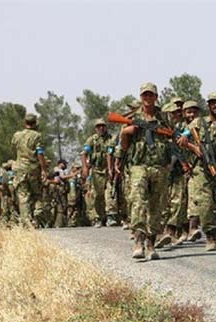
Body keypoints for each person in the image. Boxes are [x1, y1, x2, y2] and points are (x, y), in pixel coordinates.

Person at [120, 82, 172, 261]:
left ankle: (151, 243)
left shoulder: (164, 117)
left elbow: (172, 138)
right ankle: (138, 241)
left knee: (156, 205)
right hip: (139, 166)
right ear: (141, 97)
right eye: (145, 95)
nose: (148, 98)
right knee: (138, 202)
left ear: (156, 97)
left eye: (151, 95)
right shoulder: (133, 117)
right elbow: (124, 146)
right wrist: (127, 132)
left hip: (159, 166)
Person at [185, 98, 216, 251]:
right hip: (202, 168)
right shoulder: (197, 124)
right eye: (213, 103)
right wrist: (192, 147)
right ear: (208, 106)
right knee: (204, 203)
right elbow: (181, 136)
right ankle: (209, 235)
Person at [157, 102, 191, 247]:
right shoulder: (156, 130)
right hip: (160, 171)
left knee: (177, 202)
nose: (176, 115)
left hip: (177, 171)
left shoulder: (179, 131)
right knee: (161, 203)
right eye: (172, 113)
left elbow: (180, 150)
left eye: (178, 112)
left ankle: (170, 232)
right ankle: (158, 233)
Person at [11, 113, 47, 228]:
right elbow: (40, 153)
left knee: (23, 196)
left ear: (25, 122)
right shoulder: (37, 136)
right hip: (33, 169)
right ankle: (37, 216)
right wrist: (44, 169)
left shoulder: (17, 135)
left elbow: (14, 148)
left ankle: (26, 222)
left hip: (20, 169)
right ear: (35, 123)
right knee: (37, 195)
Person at [82, 118, 116, 227]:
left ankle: (111, 215)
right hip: (96, 171)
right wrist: (85, 168)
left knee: (109, 193)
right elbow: (84, 153)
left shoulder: (111, 139)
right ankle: (96, 218)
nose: (101, 128)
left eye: (103, 126)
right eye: (98, 126)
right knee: (96, 195)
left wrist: (112, 169)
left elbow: (111, 153)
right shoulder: (92, 140)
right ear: (95, 128)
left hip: (108, 170)